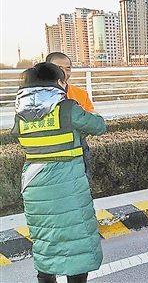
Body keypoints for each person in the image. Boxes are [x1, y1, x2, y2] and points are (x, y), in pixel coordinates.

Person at [11, 62, 106, 283]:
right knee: (76, 244)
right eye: (63, 81)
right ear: (57, 83)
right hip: (68, 186)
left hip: (36, 187)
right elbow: (99, 126)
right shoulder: (68, 108)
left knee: (45, 241)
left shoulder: (20, 114)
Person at [45, 52, 94, 179]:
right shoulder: (35, 97)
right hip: (49, 156)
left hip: (79, 152)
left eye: (68, 69)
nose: (64, 73)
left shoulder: (80, 94)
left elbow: (94, 121)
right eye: (58, 69)